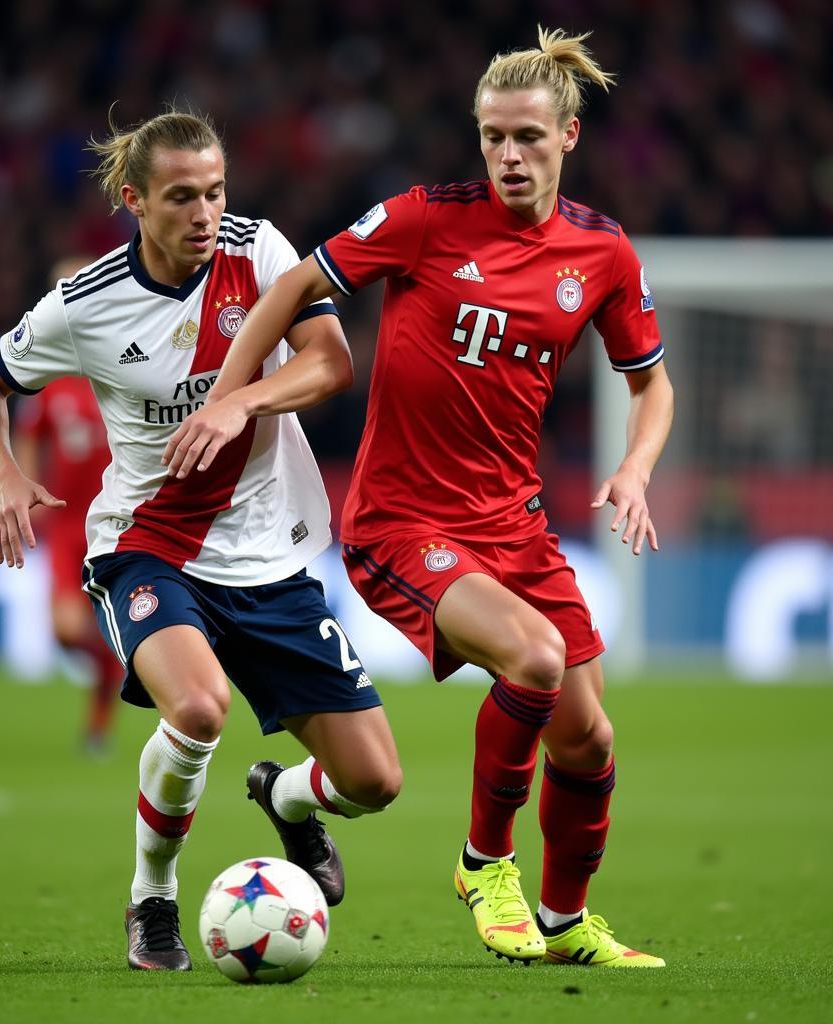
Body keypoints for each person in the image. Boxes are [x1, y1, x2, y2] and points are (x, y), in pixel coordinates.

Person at [164, 28, 674, 968]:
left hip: (514, 521)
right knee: (534, 658)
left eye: (526, 137)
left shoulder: (601, 253)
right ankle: (484, 864)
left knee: (589, 738)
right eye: (491, 138)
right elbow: (293, 288)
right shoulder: (424, 220)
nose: (507, 157)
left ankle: (565, 926)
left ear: (569, 135)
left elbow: (651, 382)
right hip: (402, 520)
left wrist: (637, 464)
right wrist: (234, 393)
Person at [0, 110, 402, 972]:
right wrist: (4, 474)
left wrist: (239, 400)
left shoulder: (261, 251)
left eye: (215, 191)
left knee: (373, 783)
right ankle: (152, 899)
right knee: (198, 710)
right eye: (180, 197)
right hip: (148, 544)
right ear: (134, 201)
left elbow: (331, 361)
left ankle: (285, 796)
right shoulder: (85, 305)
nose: (205, 214)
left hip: (269, 555)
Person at [13, 312, 120, 750]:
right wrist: (26, 484)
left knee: (114, 624)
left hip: (115, 523)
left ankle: (97, 726)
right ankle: (114, 666)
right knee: (65, 632)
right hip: (64, 523)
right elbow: (27, 436)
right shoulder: (51, 385)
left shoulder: (121, 375)